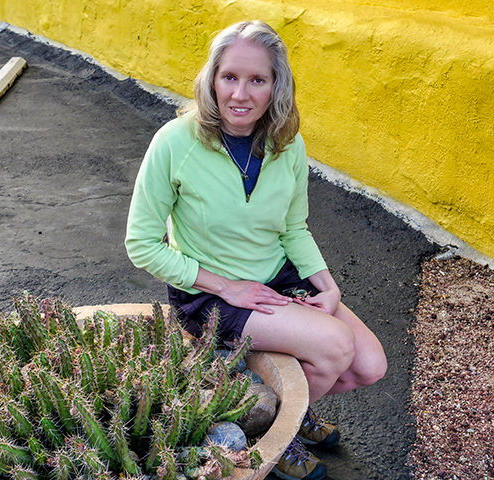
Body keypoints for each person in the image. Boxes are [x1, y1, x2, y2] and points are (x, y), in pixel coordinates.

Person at [125, 20, 387, 480]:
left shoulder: (288, 144)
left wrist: (327, 286)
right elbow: (142, 245)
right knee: (334, 348)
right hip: (209, 294)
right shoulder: (174, 142)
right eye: (229, 77)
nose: (239, 95)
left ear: (275, 87)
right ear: (211, 79)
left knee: (369, 366)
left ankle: (286, 407)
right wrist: (228, 287)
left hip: (275, 277)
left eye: (256, 80)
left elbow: (293, 228)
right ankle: (272, 435)